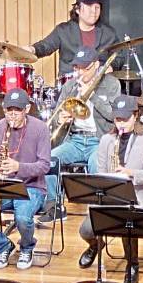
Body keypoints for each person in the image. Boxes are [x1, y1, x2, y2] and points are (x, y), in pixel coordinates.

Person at [76, 96, 143, 283]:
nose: (121, 123)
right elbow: (101, 171)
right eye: (117, 119)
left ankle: (132, 263)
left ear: (135, 116)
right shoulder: (107, 140)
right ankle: (95, 245)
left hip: (137, 196)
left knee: (125, 223)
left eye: (125, 119)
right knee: (85, 230)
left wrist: (130, 173)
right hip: (111, 195)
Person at [0, 89, 51, 270]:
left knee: (22, 217)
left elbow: (44, 166)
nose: (12, 114)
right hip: (3, 186)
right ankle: (3, 246)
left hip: (31, 187)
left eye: (17, 110)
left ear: (26, 109)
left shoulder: (40, 129)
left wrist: (18, 167)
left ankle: (27, 247)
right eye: (8, 110)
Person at [39, 47, 120, 223]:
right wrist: (60, 118)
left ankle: (96, 211)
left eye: (85, 68)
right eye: (77, 68)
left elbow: (113, 115)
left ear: (96, 65)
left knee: (97, 163)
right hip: (74, 140)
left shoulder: (111, 84)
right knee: (49, 160)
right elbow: (55, 118)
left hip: (99, 140)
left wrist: (91, 95)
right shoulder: (69, 86)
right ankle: (54, 206)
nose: (80, 72)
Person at [22, 0, 118, 76]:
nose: (93, 11)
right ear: (77, 9)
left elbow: (119, 57)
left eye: (97, 7)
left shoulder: (108, 33)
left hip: (99, 82)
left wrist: (111, 67)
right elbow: (45, 46)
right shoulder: (63, 30)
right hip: (70, 83)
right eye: (89, 7)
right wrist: (32, 49)